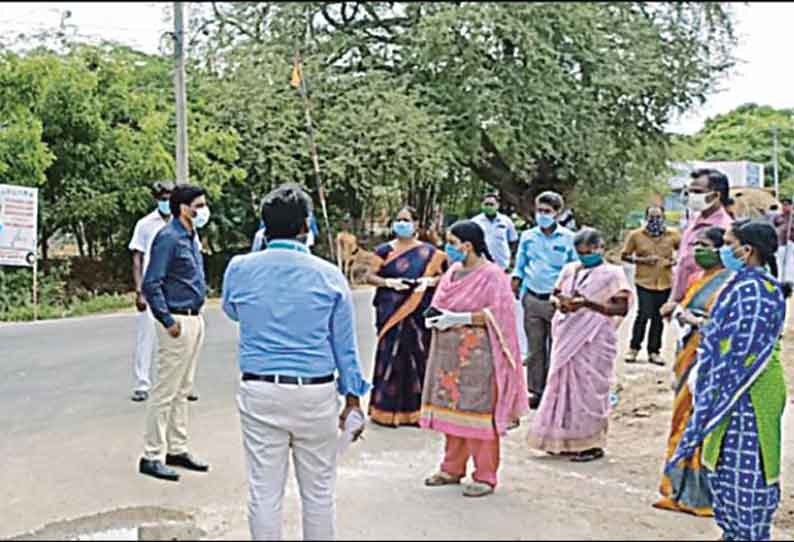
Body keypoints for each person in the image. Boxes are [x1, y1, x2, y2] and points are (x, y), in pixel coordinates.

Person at [222, 183, 370, 541]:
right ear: (306, 226)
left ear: (263, 227)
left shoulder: (240, 268)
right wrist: (352, 399)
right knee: (318, 494)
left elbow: (232, 310)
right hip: (314, 394)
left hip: (259, 389)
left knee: (264, 492)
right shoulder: (328, 274)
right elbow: (344, 347)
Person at [666, 220, 788, 542]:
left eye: (728, 243)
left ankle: (748, 533)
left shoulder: (757, 290)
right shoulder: (742, 284)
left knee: (746, 469)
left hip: (749, 387)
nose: (723, 249)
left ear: (746, 250)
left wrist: (709, 372)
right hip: (731, 385)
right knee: (724, 462)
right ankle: (734, 532)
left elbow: (740, 348)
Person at [420, 220, 528, 498]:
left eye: (452, 243)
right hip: (448, 355)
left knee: (479, 414)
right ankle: (451, 468)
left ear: (467, 246)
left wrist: (462, 318)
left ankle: (485, 475)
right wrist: (436, 318)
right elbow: (440, 302)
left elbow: (500, 316)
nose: (448, 249)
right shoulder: (453, 272)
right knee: (453, 412)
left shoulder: (493, 276)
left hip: (479, 356)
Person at [526, 228, 632, 462]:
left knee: (589, 390)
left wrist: (586, 304)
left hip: (594, 340)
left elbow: (621, 307)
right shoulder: (569, 270)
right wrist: (560, 302)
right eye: (581, 252)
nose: (585, 256)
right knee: (562, 386)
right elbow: (554, 294)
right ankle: (562, 439)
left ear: (600, 248)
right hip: (567, 333)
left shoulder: (613, 274)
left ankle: (591, 444)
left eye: (590, 251)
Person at [653, 227, 731, 517]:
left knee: (699, 419)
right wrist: (679, 312)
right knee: (681, 418)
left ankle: (700, 494)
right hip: (686, 355)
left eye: (706, 245)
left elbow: (722, 322)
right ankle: (676, 487)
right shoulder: (697, 279)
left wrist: (694, 319)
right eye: (695, 244)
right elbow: (684, 308)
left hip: (709, 359)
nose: (699, 249)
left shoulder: (730, 283)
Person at [139, 184, 211, 482]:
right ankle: (152, 454)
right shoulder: (168, 238)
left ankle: (177, 448)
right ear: (184, 207)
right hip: (177, 322)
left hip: (194, 318)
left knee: (183, 389)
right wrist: (167, 320)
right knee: (165, 391)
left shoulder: (191, 236)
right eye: (199, 205)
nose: (203, 211)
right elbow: (151, 283)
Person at [365, 206, 447, 427]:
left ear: (417, 224)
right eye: (398, 219)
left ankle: (418, 411)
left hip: (418, 311)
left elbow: (445, 278)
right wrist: (388, 282)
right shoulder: (383, 250)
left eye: (406, 220)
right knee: (389, 356)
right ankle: (384, 410)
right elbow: (370, 276)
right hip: (390, 310)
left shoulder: (431, 253)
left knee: (419, 356)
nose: (402, 223)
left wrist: (429, 282)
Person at [511, 191, 578, 409]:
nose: (542, 215)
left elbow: (574, 269)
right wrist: (516, 279)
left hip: (557, 301)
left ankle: (555, 390)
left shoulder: (568, 239)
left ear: (557, 214)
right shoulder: (528, 236)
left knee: (557, 347)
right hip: (531, 297)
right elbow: (520, 263)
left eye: (547, 212)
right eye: (539, 211)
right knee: (535, 349)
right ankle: (536, 391)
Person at [662, 169, 733, 318]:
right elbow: (683, 264)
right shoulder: (694, 220)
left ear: (715, 195)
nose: (692, 196)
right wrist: (674, 300)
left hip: (703, 305)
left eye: (697, 191)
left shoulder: (726, 230)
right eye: (690, 191)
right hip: (683, 303)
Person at [128, 181, 173, 402]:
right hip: (151, 287)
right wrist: (139, 291)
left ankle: (180, 384)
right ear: (156, 199)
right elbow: (137, 258)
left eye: (169, 197)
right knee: (147, 337)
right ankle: (142, 383)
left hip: (174, 289)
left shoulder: (183, 223)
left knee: (177, 339)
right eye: (162, 198)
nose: (166, 202)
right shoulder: (145, 224)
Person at [620, 205, 681, 366]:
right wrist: (642, 261)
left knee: (658, 317)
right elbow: (625, 256)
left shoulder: (673, 235)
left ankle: (654, 351)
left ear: (664, 218)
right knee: (643, 314)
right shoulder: (636, 235)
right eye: (652, 217)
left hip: (665, 281)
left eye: (658, 217)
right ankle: (633, 348)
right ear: (646, 218)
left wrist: (674, 261)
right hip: (644, 281)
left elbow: (684, 252)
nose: (655, 220)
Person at [471, 193, 519, 271]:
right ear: (482, 205)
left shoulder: (506, 221)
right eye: (486, 204)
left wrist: (511, 260)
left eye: (491, 204)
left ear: (497, 205)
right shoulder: (475, 222)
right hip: (480, 264)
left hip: (502, 264)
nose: (489, 207)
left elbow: (513, 241)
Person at [773, 196, 794, 282]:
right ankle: (780, 280)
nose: (784, 207)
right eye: (783, 205)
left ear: (791, 206)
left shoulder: (792, 217)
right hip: (780, 244)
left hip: (790, 244)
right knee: (779, 263)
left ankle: (789, 282)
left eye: (786, 205)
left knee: (790, 264)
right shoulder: (778, 217)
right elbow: (775, 226)